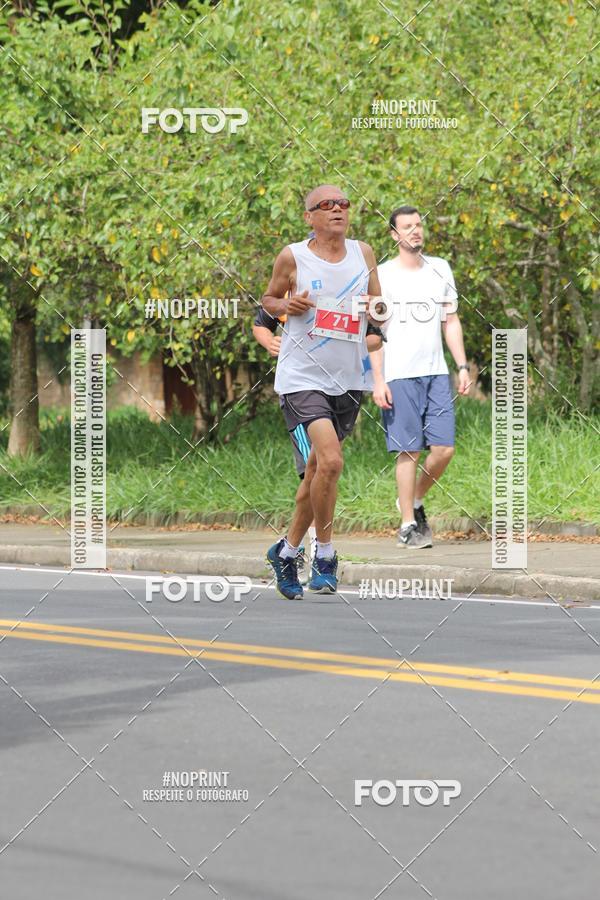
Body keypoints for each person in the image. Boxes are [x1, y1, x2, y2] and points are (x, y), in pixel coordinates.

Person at [261, 184, 382, 599]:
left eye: (344, 204)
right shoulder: (293, 256)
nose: (337, 210)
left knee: (317, 472)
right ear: (309, 216)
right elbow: (268, 300)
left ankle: (286, 551)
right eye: (326, 205)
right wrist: (286, 306)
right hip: (301, 376)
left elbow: (378, 307)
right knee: (330, 461)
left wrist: (376, 312)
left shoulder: (363, 253)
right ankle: (325, 555)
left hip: (347, 378)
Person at [372, 205, 470, 549]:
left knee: (444, 450)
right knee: (409, 451)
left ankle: (412, 499)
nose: (415, 230)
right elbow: (373, 332)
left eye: (419, 225)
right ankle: (407, 526)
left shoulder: (440, 268)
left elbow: (450, 321)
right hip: (398, 375)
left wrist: (461, 365)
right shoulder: (382, 275)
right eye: (407, 226)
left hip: (436, 373)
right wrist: (378, 380)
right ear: (394, 234)